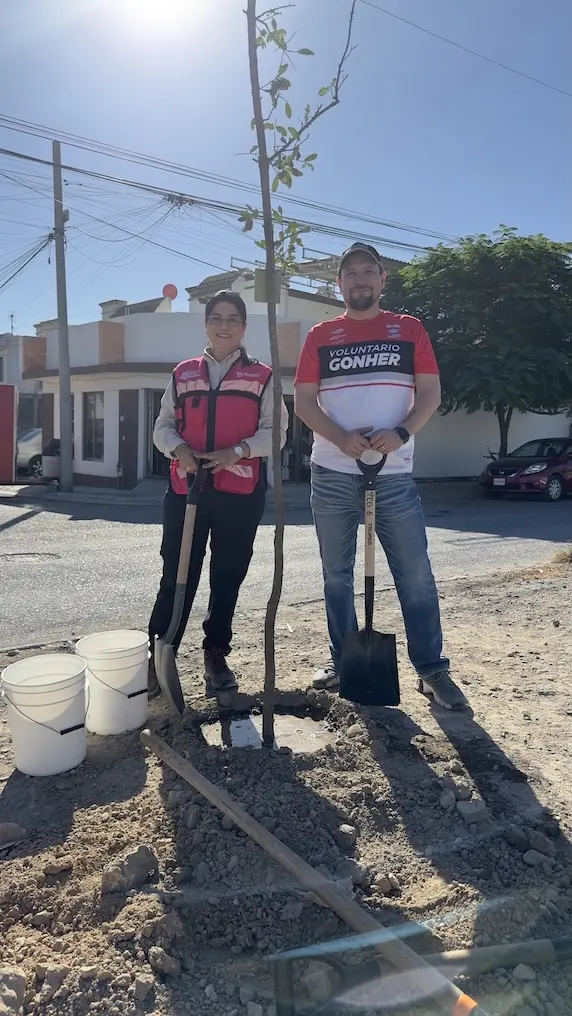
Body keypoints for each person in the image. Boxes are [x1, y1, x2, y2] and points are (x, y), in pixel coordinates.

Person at [294, 243, 468, 710]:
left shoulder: (409, 330)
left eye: (368, 271)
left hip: (392, 475)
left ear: (382, 278)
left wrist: (402, 431)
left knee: (415, 574)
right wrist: (341, 437)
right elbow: (305, 403)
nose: (360, 279)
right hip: (332, 473)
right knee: (336, 576)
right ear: (339, 284)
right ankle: (342, 660)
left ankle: (431, 669)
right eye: (351, 273)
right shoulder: (320, 335)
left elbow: (429, 394)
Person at [150, 290, 288, 696]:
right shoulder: (183, 373)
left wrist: (238, 451)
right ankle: (161, 648)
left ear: (243, 328)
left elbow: (275, 433)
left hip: (239, 492)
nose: (224, 325)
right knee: (177, 572)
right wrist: (178, 450)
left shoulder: (262, 377)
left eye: (232, 319)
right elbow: (162, 425)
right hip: (187, 488)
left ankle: (215, 652)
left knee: (227, 575)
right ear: (206, 324)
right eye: (216, 317)